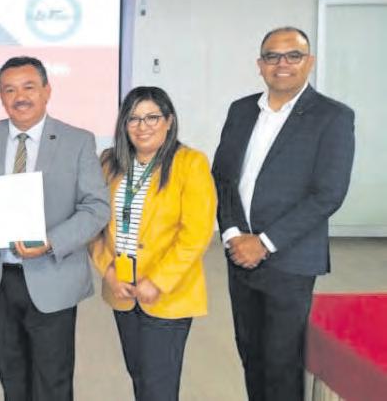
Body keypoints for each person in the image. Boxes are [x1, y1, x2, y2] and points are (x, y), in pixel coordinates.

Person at [212, 26, 355, 401]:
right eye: (272, 56)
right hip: (239, 256)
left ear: (310, 62)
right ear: (260, 64)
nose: (282, 64)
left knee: (282, 363)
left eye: (293, 55)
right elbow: (222, 178)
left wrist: (263, 242)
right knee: (251, 355)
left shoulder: (333, 117)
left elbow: (328, 194)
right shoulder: (241, 110)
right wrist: (233, 235)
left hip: (290, 259)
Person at [0, 56, 109, 401]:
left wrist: (51, 241)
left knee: (53, 383)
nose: (20, 97)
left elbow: (96, 208)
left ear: (47, 91)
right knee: (12, 379)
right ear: (0, 95)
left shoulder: (77, 141)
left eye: (28, 87)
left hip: (52, 275)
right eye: (9, 90)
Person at [89, 86, 216, 401]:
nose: (142, 126)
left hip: (168, 292)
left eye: (152, 117)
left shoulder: (190, 163)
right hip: (122, 288)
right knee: (140, 376)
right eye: (133, 118)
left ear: (169, 121)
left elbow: (196, 233)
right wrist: (107, 270)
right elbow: (93, 223)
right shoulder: (109, 162)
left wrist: (158, 280)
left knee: (159, 386)